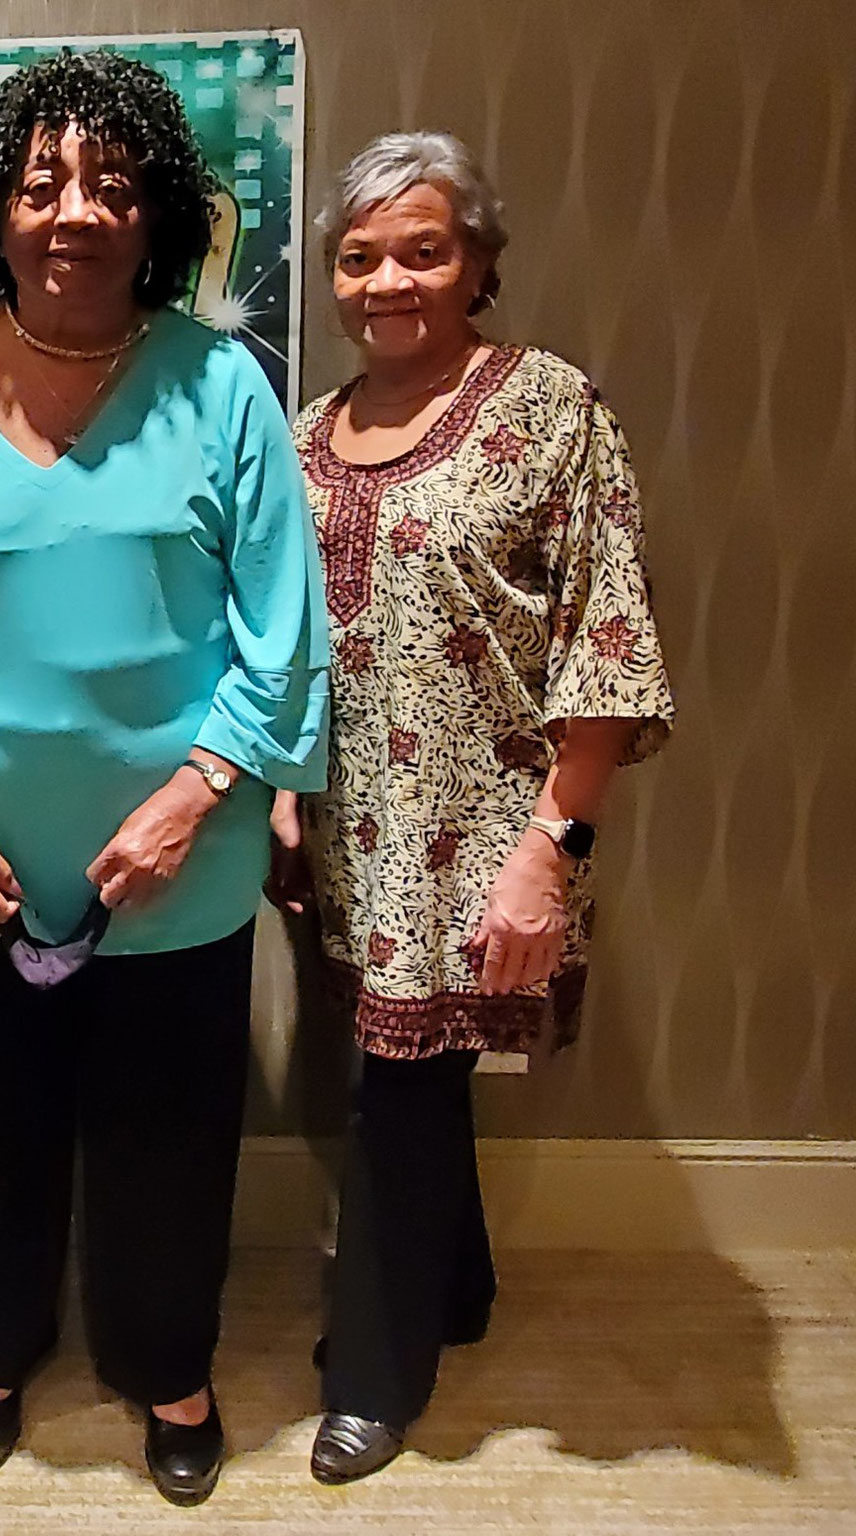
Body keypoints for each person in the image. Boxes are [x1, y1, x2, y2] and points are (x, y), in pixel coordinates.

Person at [0, 50, 329, 1506]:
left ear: (155, 208)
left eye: (110, 183)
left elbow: (284, 634)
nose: (75, 212)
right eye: (42, 183)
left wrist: (194, 795)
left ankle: (173, 1366)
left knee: (171, 1132)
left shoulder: (225, 387)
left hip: (183, 863)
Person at [268, 130, 676, 1484]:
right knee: (404, 1077)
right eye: (360, 255)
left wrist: (550, 849)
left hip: (486, 839)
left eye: (423, 250)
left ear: (479, 264)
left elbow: (607, 639)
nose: (389, 280)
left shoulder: (550, 409)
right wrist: (279, 793)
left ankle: (375, 1374)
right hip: (340, 833)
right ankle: (459, 1290)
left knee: (402, 1092)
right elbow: (276, 637)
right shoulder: (303, 431)